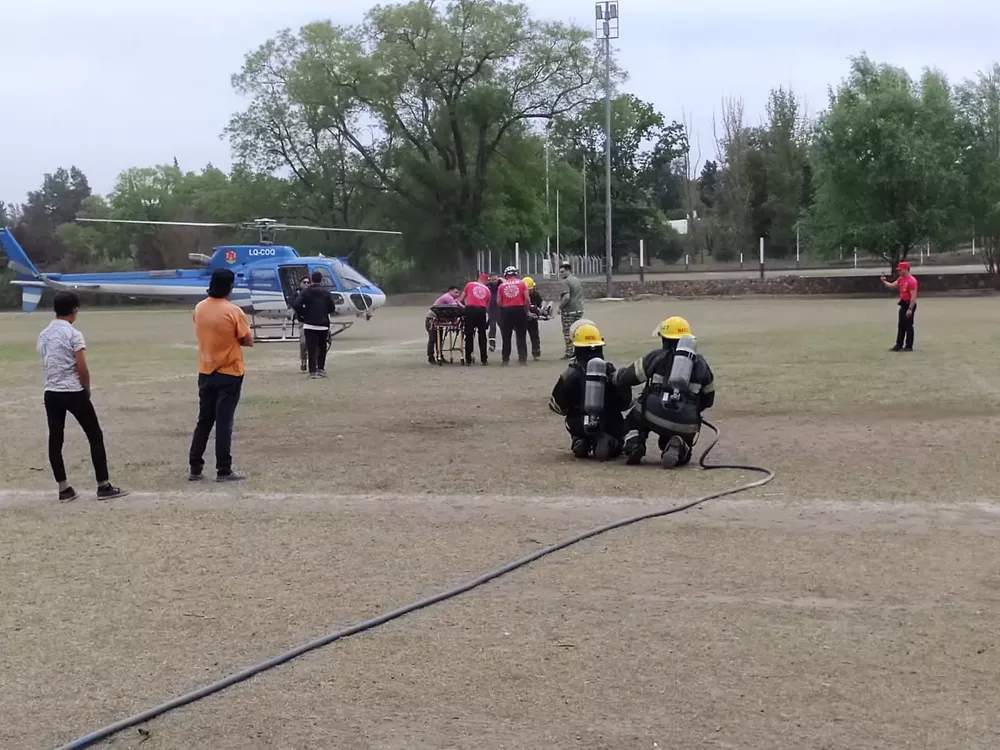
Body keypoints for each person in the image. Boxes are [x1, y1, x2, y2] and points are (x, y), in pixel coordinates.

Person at [37, 291, 128, 502]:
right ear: (75, 311)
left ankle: (63, 488)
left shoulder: (43, 334)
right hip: (72, 391)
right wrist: (86, 388)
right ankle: (103, 485)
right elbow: (82, 367)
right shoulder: (73, 334)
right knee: (94, 435)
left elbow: (46, 360)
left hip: (51, 391)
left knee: (55, 439)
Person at [614, 316, 715, 469]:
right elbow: (709, 399)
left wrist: (613, 377)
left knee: (632, 422)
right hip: (685, 421)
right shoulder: (701, 363)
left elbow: (629, 377)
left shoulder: (657, 357)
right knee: (678, 439)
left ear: (665, 339)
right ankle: (679, 445)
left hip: (652, 412)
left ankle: (634, 444)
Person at [189, 268, 253, 482]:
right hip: (229, 371)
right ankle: (223, 469)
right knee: (224, 422)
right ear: (230, 287)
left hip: (205, 370)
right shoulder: (233, 311)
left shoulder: (199, 308)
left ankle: (195, 466)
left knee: (204, 420)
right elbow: (247, 339)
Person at [548, 321, 631, 460]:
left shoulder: (569, 374)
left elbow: (558, 407)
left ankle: (581, 440)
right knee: (617, 436)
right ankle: (612, 443)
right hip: (610, 423)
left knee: (574, 422)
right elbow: (625, 404)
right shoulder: (611, 371)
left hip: (579, 424)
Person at [295, 270, 337, 378]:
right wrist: (324, 312)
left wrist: (304, 314)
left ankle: (312, 371)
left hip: (309, 324)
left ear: (311, 280)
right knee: (322, 347)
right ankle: (321, 369)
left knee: (311, 348)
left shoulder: (306, 292)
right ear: (321, 280)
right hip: (323, 324)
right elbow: (332, 307)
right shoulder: (326, 293)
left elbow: (296, 304)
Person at [881, 261, 918, 352]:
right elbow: (891, 286)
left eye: (900, 270)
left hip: (909, 304)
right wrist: (884, 281)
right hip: (903, 303)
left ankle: (909, 346)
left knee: (908, 325)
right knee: (901, 325)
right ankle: (899, 345)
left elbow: (913, 296)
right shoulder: (901, 279)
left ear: (906, 269)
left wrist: (910, 308)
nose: (899, 271)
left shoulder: (912, 281)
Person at [497, 266, 530, 365]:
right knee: (521, 335)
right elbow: (527, 299)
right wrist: (526, 310)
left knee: (506, 336)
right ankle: (522, 359)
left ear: (506, 275)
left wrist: (505, 306)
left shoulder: (502, 286)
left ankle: (505, 359)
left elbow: (498, 301)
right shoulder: (522, 283)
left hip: (507, 311)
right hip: (520, 310)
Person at [459, 273, 491, 365]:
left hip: (470, 310)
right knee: (482, 335)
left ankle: (468, 359)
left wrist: (464, 309)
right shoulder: (488, 290)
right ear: (486, 280)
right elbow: (487, 306)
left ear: (478, 279)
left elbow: (461, 299)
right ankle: (484, 359)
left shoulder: (469, 285)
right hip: (481, 311)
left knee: (469, 335)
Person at [426, 285, 462, 364]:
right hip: (432, 320)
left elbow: (461, 306)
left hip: (439, 321)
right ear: (450, 291)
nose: (457, 294)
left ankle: (440, 356)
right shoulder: (447, 297)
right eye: (455, 292)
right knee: (433, 339)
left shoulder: (454, 299)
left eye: (458, 293)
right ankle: (431, 357)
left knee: (439, 339)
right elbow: (455, 307)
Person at [558, 261, 585, 359]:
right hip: (579, 309)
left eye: (562, 272)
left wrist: (559, 307)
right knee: (577, 331)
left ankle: (569, 353)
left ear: (567, 271)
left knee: (567, 331)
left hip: (569, 310)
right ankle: (578, 350)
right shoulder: (577, 280)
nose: (560, 274)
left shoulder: (565, 282)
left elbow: (566, 297)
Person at [290, 275, 311, 372]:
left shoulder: (312, 293)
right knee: (303, 342)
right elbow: (294, 304)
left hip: (313, 321)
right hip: (302, 321)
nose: (306, 284)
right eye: (304, 282)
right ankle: (303, 360)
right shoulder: (297, 294)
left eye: (308, 282)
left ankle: (313, 362)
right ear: (300, 284)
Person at [523, 275, 544, 361]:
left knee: (535, 336)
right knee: (521, 337)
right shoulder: (520, 295)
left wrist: (542, 310)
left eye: (531, 289)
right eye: (529, 289)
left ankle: (536, 353)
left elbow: (540, 303)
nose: (530, 291)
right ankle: (522, 355)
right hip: (522, 319)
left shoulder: (535, 294)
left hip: (533, 320)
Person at [486, 273, 502, 353]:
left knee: (503, 326)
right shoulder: (487, 286)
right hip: (491, 309)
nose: (494, 281)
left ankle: (506, 342)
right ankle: (492, 344)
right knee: (492, 327)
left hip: (501, 308)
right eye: (492, 280)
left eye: (495, 279)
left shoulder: (502, 284)